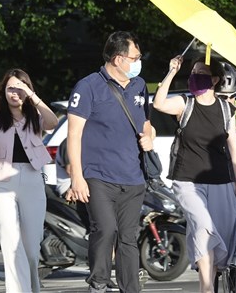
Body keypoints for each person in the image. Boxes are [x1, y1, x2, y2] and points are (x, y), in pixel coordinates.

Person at [66, 31, 154, 293]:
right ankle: (99, 284)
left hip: (133, 177)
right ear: (118, 59)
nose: (139, 62)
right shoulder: (88, 86)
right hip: (98, 176)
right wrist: (77, 178)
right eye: (135, 57)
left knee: (128, 238)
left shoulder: (139, 86)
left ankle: (131, 289)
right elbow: (74, 134)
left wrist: (150, 137)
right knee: (105, 229)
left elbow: (146, 124)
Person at [152, 55, 236, 293]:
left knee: (218, 235)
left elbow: (233, 150)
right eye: (193, 73)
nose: (195, 77)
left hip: (221, 181)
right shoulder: (185, 104)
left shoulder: (227, 110)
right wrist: (172, 72)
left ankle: (209, 285)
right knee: (204, 226)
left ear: (214, 80)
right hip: (187, 182)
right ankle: (206, 288)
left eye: (201, 73)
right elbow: (158, 103)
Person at [0, 68, 58, 293]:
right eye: (9, 89)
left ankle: (31, 288)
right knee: (10, 245)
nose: (14, 93)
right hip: (0, 183)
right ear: (2, 92)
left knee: (31, 251)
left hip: (32, 180)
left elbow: (53, 122)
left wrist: (32, 97)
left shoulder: (36, 116)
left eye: (19, 88)